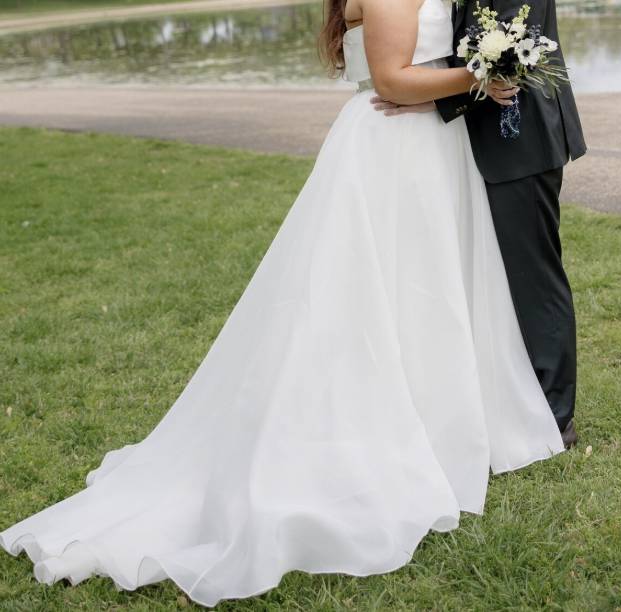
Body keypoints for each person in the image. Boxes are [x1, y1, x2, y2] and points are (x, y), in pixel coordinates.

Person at [0, 0, 565, 606]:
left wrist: (471, 82)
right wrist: (482, 77)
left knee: (419, 286)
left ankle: (441, 413)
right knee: (384, 290)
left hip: (424, 143)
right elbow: (392, 79)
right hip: (398, 145)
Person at [373, 0, 587, 447]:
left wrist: (433, 99)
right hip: (485, 141)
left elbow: (508, 55)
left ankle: (553, 416)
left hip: (520, 141)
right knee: (498, 279)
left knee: (533, 279)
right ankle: (507, 397)